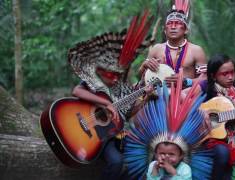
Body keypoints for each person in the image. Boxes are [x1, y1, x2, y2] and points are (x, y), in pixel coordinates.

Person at [68, 11, 153, 180]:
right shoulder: (94, 83)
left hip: (115, 134)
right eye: (110, 74)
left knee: (145, 157)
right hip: (95, 135)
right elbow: (77, 92)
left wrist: (146, 98)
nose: (114, 78)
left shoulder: (124, 87)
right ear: (101, 71)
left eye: (117, 75)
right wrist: (105, 103)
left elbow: (128, 113)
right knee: (116, 161)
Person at [139, 1, 207, 87]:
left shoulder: (196, 50)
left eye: (178, 23)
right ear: (165, 30)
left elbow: (205, 79)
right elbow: (141, 76)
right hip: (159, 97)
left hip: (186, 96)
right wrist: (144, 66)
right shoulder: (156, 49)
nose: (173, 27)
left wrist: (185, 81)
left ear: (186, 30)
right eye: (169, 24)